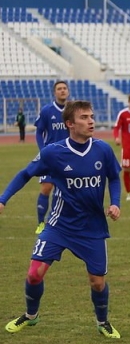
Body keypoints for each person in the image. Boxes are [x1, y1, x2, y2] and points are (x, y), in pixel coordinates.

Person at [0, 100, 122, 338]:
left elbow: (114, 178)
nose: (91, 121)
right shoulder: (53, 153)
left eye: (91, 116)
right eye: (84, 117)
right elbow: (25, 174)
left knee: (97, 282)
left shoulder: (103, 150)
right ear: (70, 124)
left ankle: (102, 321)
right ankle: (31, 315)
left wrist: (115, 202)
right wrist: (3, 199)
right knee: (34, 273)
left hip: (92, 227)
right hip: (59, 225)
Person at [33, 80, 71, 234]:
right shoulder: (47, 110)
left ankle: (60, 221)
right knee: (46, 187)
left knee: (68, 190)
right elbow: (39, 132)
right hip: (50, 156)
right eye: (59, 89)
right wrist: (43, 150)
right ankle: (41, 223)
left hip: (69, 156)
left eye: (64, 88)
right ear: (54, 93)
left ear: (68, 91)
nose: (62, 91)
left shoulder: (73, 110)